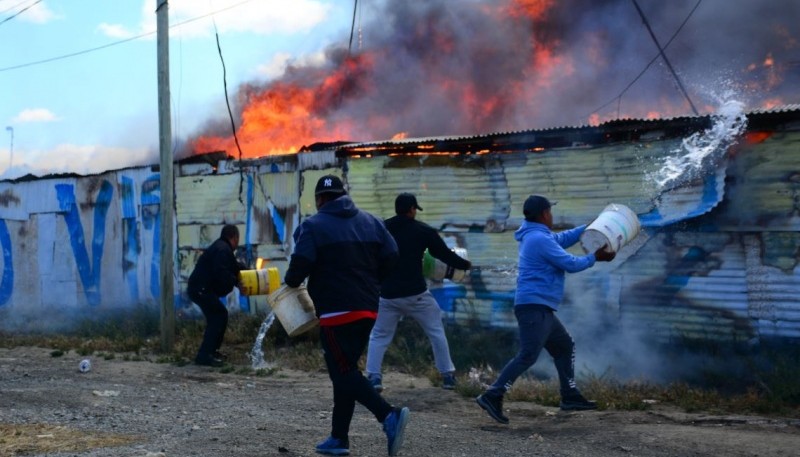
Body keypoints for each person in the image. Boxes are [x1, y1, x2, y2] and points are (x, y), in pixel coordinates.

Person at [284, 175, 411, 457]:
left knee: (342, 373)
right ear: (344, 195)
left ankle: (388, 415)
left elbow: (300, 265)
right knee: (346, 370)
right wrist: (372, 281)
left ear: (319, 200)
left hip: (336, 311)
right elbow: (392, 255)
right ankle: (339, 437)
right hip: (367, 308)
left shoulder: (313, 226)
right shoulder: (373, 221)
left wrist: (291, 281)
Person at [476, 195, 616, 424]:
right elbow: (571, 264)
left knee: (564, 346)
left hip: (540, 307)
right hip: (534, 307)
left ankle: (569, 396)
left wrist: (588, 228)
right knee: (528, 354)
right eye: (550, 211)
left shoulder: (538, 235)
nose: (552, 215)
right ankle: (493, 394)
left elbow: (561, 238)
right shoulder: (538, 239)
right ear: (543, 214)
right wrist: (595, 257)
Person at [366, 193, 472, 392]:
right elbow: (444, 254)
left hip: (388, 295)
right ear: (412, 209)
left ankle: (374, 377)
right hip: (416, 295)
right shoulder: (423, 230)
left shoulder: (381, 229)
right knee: (436, 331)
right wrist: (464, 264)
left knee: (379, 336)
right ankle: (447, 376)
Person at [187, 224, 244, 367]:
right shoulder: (222, 250)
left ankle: (212, 352)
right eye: (238, 239)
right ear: (234, 237)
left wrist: (249, 275)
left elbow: (234, 267)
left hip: (201, 289)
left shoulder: (222, 249)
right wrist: (237, 282)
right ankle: (205, 355)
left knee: (219, 316)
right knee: (218, 316)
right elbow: (222, 272)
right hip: (201, 289)